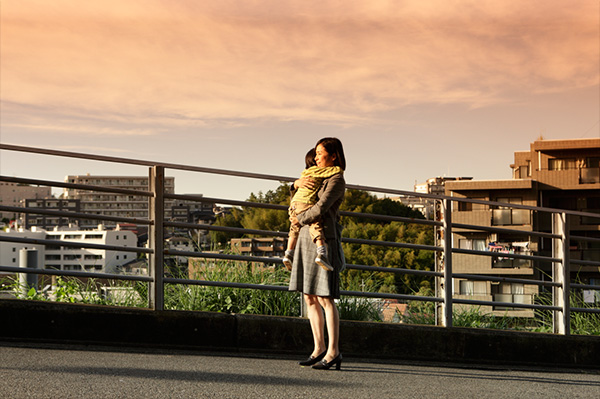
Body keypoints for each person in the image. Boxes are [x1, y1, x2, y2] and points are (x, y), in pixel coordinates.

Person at [288, 137, 346, 371]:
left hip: (324, 238)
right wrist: (295, 184)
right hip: (304, 236)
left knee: (325, 297)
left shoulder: (337, 179)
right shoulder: (312, 174)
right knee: (309, 296)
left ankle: (334, 352)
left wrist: (299, 218)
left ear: (334, 156)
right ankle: (318, 349)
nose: (317, 155)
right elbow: (297, 197)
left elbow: (321, 207)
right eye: (317, 151)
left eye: (322, 152)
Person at [282, 148, 343, 272]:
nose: (317, 158)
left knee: (293, 230)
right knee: (315, 224)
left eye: (319, 154)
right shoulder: (323, 173)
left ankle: (288, 252)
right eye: (316, 155)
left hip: (295, 207)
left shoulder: (306, 173)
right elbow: (320, 208)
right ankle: (321, 251)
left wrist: (295, 184)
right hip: (307, 219)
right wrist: (295, 184)